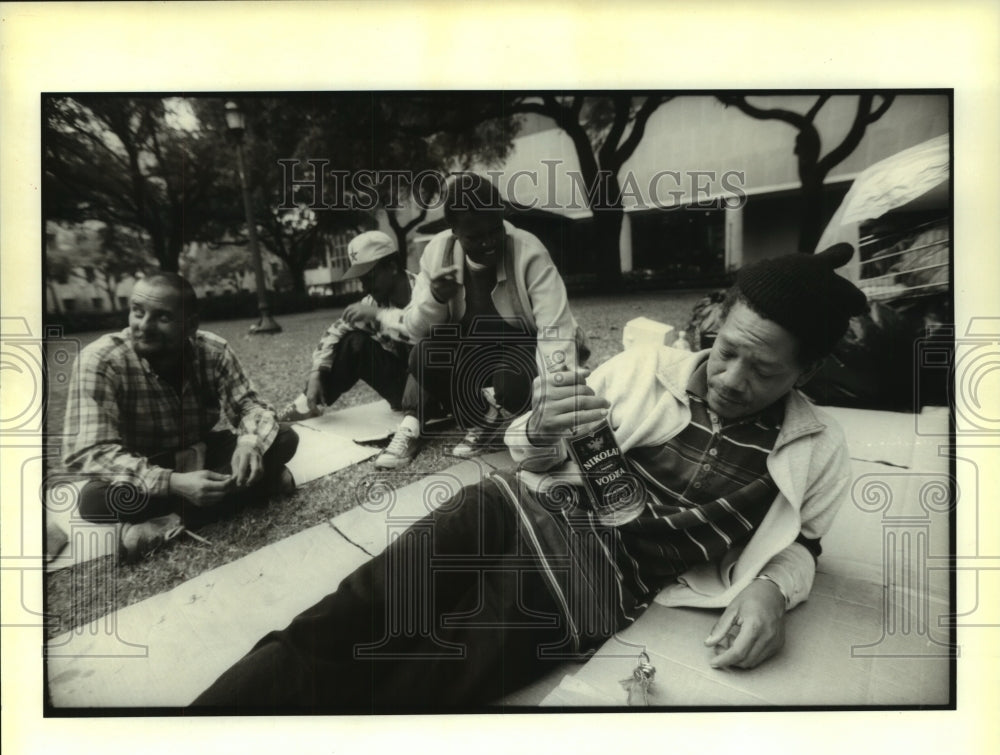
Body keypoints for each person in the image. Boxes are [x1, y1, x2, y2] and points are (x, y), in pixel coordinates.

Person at [192, 243, 867, 711]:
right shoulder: (637, 374)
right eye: (725, 352)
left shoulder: (816, 446)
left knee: (409, 687)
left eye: (764, 370)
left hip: (587, 589)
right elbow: (528, 452)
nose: (731, 377)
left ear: (805, 373)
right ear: (714, 332)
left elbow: (802, 545)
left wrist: (774, 591)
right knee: (348, 617)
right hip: (506, 512)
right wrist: (541, 427)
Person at [62, 273, 300, 564]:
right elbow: (90, 450)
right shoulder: (100, 360)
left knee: (284, 438)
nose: (144, 326)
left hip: (200, 452)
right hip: (143, 465)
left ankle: (166, 521)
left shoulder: (213, 351)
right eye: (137, 312)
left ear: (190, 324)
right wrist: (173, 482)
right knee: (93, 501)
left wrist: (249, 443)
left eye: (162, 317)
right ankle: (260, 487)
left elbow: (250, 406)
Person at [400, 172, 587, 458]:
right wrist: (436, 297)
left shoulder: (528, 250)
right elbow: (413, 331)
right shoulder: (437, 252)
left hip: (520, 349)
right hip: (470, 351)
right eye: (475, 237)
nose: (488, 243)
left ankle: (513, 411)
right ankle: (482, 419)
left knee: (509, 382)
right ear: (454, 231)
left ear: (502, 216)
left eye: (495, 230)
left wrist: (558, 401)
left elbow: (556, 330)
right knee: (422, 356)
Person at [277, 230, 442, 469]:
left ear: (393, 267)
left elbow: (423, 330)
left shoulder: (424, 292)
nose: (363, 284)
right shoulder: (372, 303)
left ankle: (411, 430)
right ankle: (308, 405)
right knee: (354, 340)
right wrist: (317, 372)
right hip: (403, 390)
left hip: (438, 389)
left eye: (369, 275)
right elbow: (334, 332)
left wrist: (379, 316)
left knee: (428, 345)